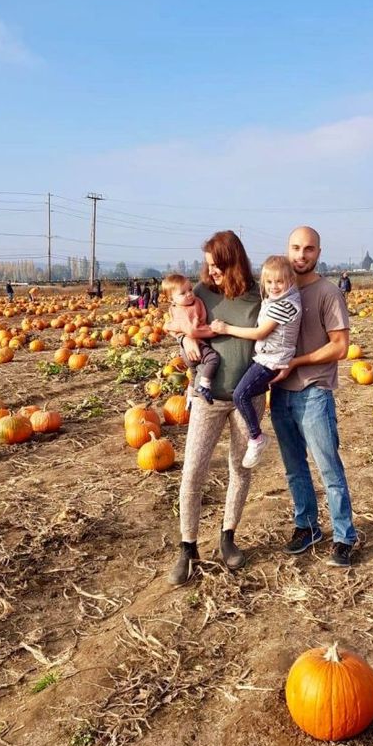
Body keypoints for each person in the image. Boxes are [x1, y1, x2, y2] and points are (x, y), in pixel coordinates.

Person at [167, 230, 263, 585]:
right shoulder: (199, 293)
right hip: (208, 398)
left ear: (233, 262)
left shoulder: (257, 294)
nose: (212, 272)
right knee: (193, 469)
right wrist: (184, 337)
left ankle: (228, 536)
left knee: (240, 468)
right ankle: (187, 545)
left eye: (218, 265)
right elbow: (173, 320)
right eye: (208, 265)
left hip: (248, 397)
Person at [269, 226, 362, 569]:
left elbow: (341, 346)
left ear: (318, 253)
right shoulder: (278, 291)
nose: (301, 255)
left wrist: (297, 362)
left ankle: (344, 536)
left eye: (309, 249)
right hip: (280, 394)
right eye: (295, 247)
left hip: (314, 393)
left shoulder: (327, 293)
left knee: (328, 468)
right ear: (287, 249)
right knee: (294, 470)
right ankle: (306, 526)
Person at [210, 255, 301, 469]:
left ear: (290, 280)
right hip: (270, 356)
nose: (274, 286)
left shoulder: (284, 305)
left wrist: (226, 329)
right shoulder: (280, 300)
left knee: (240, 394)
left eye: (279, 281)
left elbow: (260, 332)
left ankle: (256, 437)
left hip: (271, 360)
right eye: (269, 282)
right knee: (245, 391)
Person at [163, 273, 220, 404]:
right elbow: (193, 331)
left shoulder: (194, 302)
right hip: (194, 347)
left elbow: (170, 327)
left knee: (193, 373)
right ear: (171, 299)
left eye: (190, 289)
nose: (189, 294)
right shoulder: (181, 311)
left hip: (187, 349)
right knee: (213, 359)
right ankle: (204, 386)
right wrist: (214, 331)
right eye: (183, 293)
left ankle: (189, 397)